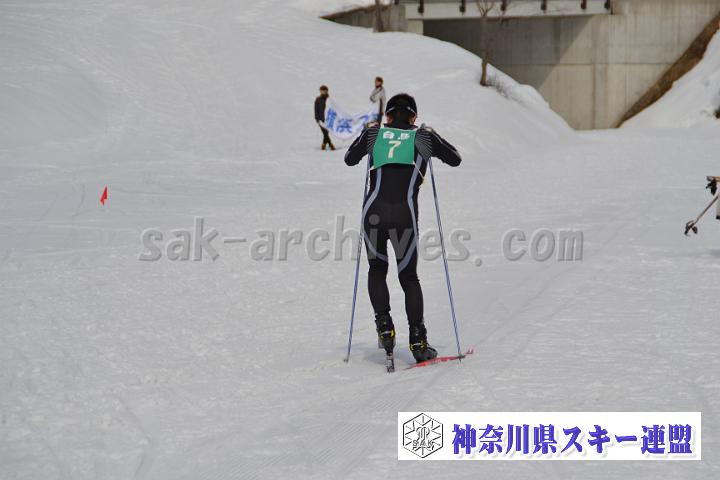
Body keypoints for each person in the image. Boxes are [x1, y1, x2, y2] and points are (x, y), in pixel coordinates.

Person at [344, 93, 462, 363]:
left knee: (377, 269)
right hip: (404, 216)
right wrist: (431, 136)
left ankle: (385, 328)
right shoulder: (422, 137)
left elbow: (350, 158)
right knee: (408, 277)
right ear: (414, 117)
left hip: (372, 214)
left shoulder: (374, 134)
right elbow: (455, 158)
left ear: (387, 116)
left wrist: (367, 134)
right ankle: (418, 342)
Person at [314, 85, 335, 151]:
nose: (323, 92)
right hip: (321, 119)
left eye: (324, 91)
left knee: (326, 132)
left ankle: (324, 144)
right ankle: (330, 144)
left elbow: (332, 108)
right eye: (322, 91)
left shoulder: (329, 99)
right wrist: (317, 119)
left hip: (328, 119)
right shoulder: (318, 99)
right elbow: (316, 109)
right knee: (325, 132)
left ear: (326, 91)